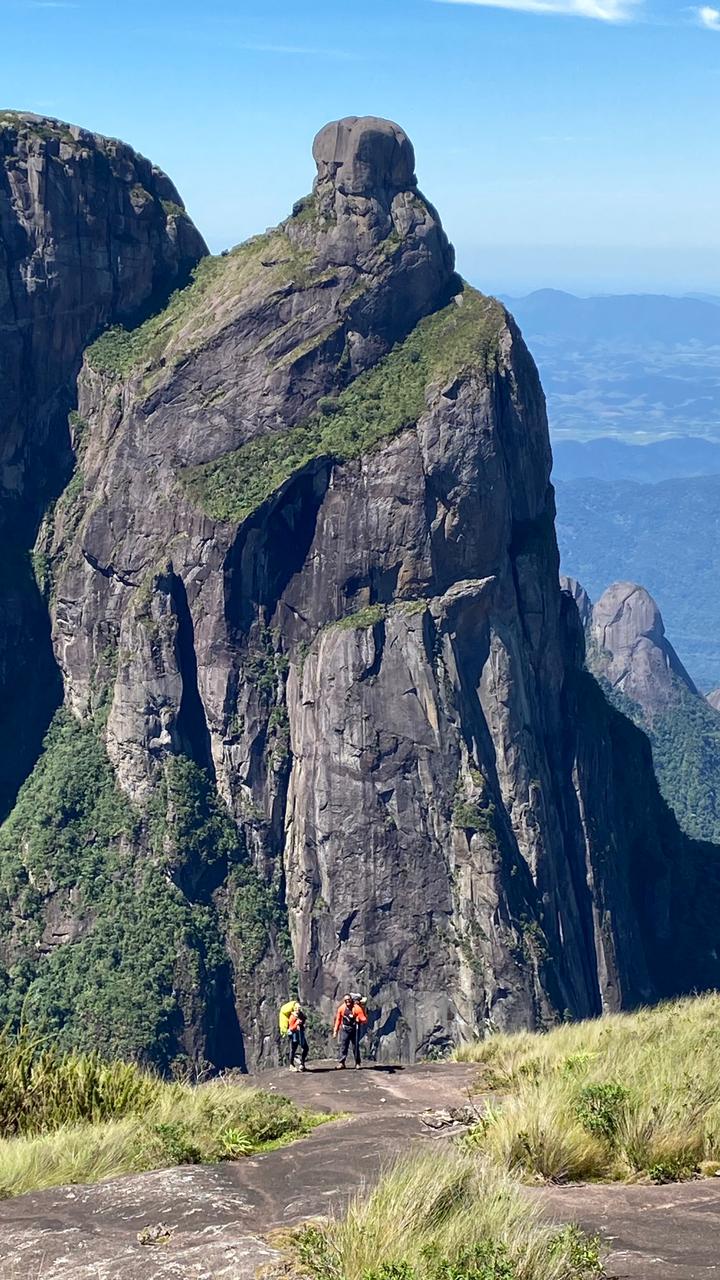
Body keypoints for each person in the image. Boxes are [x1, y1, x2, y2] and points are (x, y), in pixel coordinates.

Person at [333, 993, 368, 1069]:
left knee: (355, 1046)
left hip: (355, 1029)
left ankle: (357, 1063)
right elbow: (338, 1020)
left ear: (351, 1000)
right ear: (344, 1001)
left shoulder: (357, 1008)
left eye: (349, 1000)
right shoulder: (341, 1008)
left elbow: (364, 1020)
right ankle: (342, 1063)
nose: (348, 1002)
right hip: (345, 1029)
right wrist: (335, 1031)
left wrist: (359, 1018)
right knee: (343, 1045)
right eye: (346, 1000)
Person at [288, 1005, 309, 1072]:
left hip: (300, 1035)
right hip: (294, 1035)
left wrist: (302, 1022)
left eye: (299, 1009)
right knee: (293, 1050)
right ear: (294, 1009)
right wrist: (296, 1023)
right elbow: (291, 1028)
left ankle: (302, 1064)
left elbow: (304, 1019)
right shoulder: (292, 1017)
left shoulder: (301, 1015)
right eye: (296, 1009)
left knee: (305, 1048)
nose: (298, 1010)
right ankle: (291, 1065)